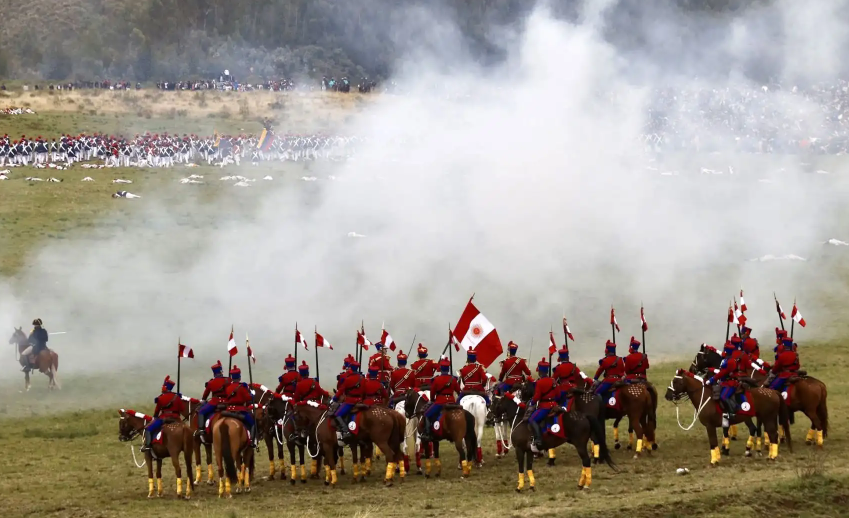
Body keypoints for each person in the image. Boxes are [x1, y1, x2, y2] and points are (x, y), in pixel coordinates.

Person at [141, 376, 185, 452]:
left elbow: (157, 410)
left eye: (163, 387)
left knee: (148, 429)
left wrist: (155, 417)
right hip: (176, 418)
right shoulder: (176, 397)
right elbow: (182, 409)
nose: (162, 388)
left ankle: (148, 446)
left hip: (164, 418)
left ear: (165, 388)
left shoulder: (161, 398)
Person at [421, 359, 460, 441]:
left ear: (441, 369)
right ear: (448, 369)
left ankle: (428, 433)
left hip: (440, 402)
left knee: (426, 414)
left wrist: (432, 400)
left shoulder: (436, 379)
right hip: (451, 402)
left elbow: (432, 393)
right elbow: (458, 391)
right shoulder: (453, 379)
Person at [527, 358, 559, 451]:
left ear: (540, 371)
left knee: (532, 419)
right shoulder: (553, 380)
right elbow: (558, 394)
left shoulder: (539, 382)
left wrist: (532, 403)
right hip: (554, 405)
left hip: (545, 407)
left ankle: (538, 439)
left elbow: (537, 396)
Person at [705, 344, 741, 425]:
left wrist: (711, 380)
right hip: (725, 382)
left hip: (731, 383)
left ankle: (732, 412)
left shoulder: (730, 361)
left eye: (725, 350)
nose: (724, 351)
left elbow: (722, 373)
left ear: (727, 351)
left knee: (723, 396)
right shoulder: (728, 358)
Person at [224, 366, 257, 448]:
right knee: (253, 423)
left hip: (228, 410)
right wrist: (252, 394)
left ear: (232, 377)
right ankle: (252, 441)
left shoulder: (228, 387)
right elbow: (248, 398)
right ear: (239, 377)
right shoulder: (242, 387)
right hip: (240, 410)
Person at [196, 360, 229, 442]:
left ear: (214, 373)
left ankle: (201, 430)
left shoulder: (211, 383)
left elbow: (205, 395)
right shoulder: (228, 380)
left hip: (215, 402)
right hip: (227, 402)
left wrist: (203, 400)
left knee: (202, 412)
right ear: (221, 372)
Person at [333, 360, 364, 440]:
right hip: (360, 400)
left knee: (337, 414)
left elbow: (340, 390)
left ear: (350, 368)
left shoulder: (348, 379)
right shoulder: (362, 378)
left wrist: (335, 398)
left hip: (350, 401)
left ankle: (346, 431)